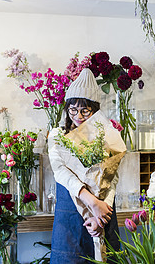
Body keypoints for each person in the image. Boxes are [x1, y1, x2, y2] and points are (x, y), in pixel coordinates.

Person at [48, 68, 127, 263]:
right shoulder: (57, 135)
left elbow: (112, 177)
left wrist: (102, 212)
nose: (78, 116)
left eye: (85, 110)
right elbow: (60, 172)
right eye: (73, 109)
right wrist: (92, 202)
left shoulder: (106, 134)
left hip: (103, 211)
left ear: (95, 110)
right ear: (67, 109)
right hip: (70, 213)